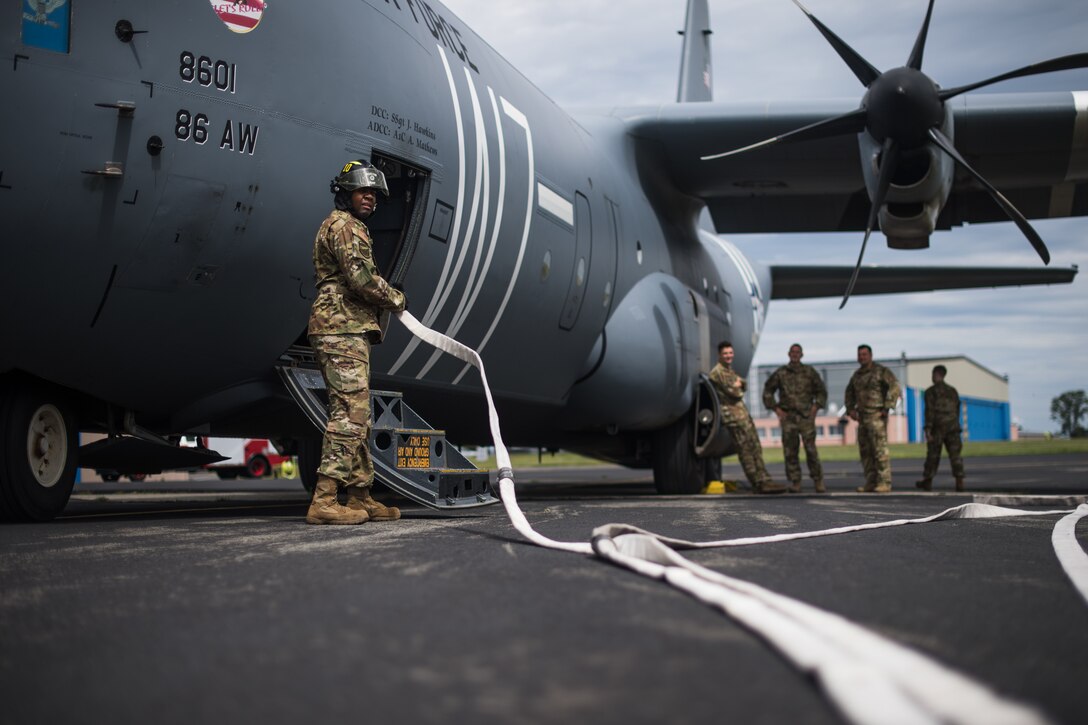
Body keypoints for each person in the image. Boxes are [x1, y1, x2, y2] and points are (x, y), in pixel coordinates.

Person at [306, 160, 407, 525]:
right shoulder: (346, 227)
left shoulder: (345, 226)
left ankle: (360, 496)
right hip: (340, 327)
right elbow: (362, 280)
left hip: (347, 327)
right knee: (349, 414)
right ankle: (325, 499)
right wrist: (395, 298)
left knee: (358, 414)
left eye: (375, 194)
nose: (370, 198)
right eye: (363, 191)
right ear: (345, 193)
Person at [708, 341, 787, 494]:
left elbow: (742, 385)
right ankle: (757, 483)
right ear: (719, 355)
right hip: (734, 417)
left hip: (742, 415)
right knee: (745, 451)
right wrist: (738, 385)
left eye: (730, 353)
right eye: (725, 353)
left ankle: (765, 479)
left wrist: (739, 383)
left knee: (755, 447)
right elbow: (736, 392)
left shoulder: (728, 371)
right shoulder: (717, 373)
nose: (728, 356)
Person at [762, 343, 828, 493]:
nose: (795, 354)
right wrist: (776, 409)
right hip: (788, 418)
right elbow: (767, 391)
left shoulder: (809, 372)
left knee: (811, 450)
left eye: (798, 352)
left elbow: (821, 391)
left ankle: (818, 480)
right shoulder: (781, 373)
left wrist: (816, 407)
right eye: (792, 352)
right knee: (790, 452)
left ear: (802, 354)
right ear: (788, 354)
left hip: (806, 417)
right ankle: (795, 481)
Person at [844, 344, 901, 493]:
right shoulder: (857, 376)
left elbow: (894, 387)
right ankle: (871, 481)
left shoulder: (881, 372)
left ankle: (884, 482)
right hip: (862, 419)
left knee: (879, 451)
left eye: (864, 354)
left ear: (870, 355)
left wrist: (887, 407)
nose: (862, 357)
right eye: (860, 355)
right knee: (866, 452)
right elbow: (849, 393)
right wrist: (850, 409)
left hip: (877, 416)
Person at [916, 365, 966, 492]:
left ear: (936, 374)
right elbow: (957, 410)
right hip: (953, 428)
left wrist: (928, 430)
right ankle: (959, 481)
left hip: (937, 428)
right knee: (955, 456)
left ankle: (928, 481)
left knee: (933, 456)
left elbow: (930, 412)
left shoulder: (930, 392)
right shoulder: (953, 391)